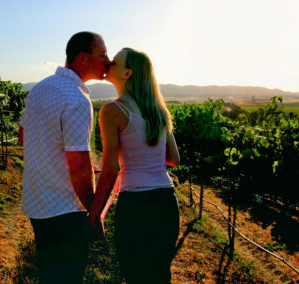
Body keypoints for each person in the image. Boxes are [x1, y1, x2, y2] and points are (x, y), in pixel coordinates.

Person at [18, 31, 110, 283]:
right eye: (102, 55)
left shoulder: (40, 88)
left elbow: (23, 137)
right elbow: (78, 167)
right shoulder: (78, 99)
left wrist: (55, 158)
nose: (108, 61)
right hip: (65, 211)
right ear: (82, 57)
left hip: (38, 205)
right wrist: (94, 211)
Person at [89, 48, 180, 284]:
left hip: (137, 207)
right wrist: (146, 156)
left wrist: (95, 213)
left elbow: (111, 169)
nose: (109, 63)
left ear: (127, 72)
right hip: (166, 201)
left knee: (135, 276)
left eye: (115, 61)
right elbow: (174, 158)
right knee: (160, 275)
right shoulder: (158, 111)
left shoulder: (113, 111)